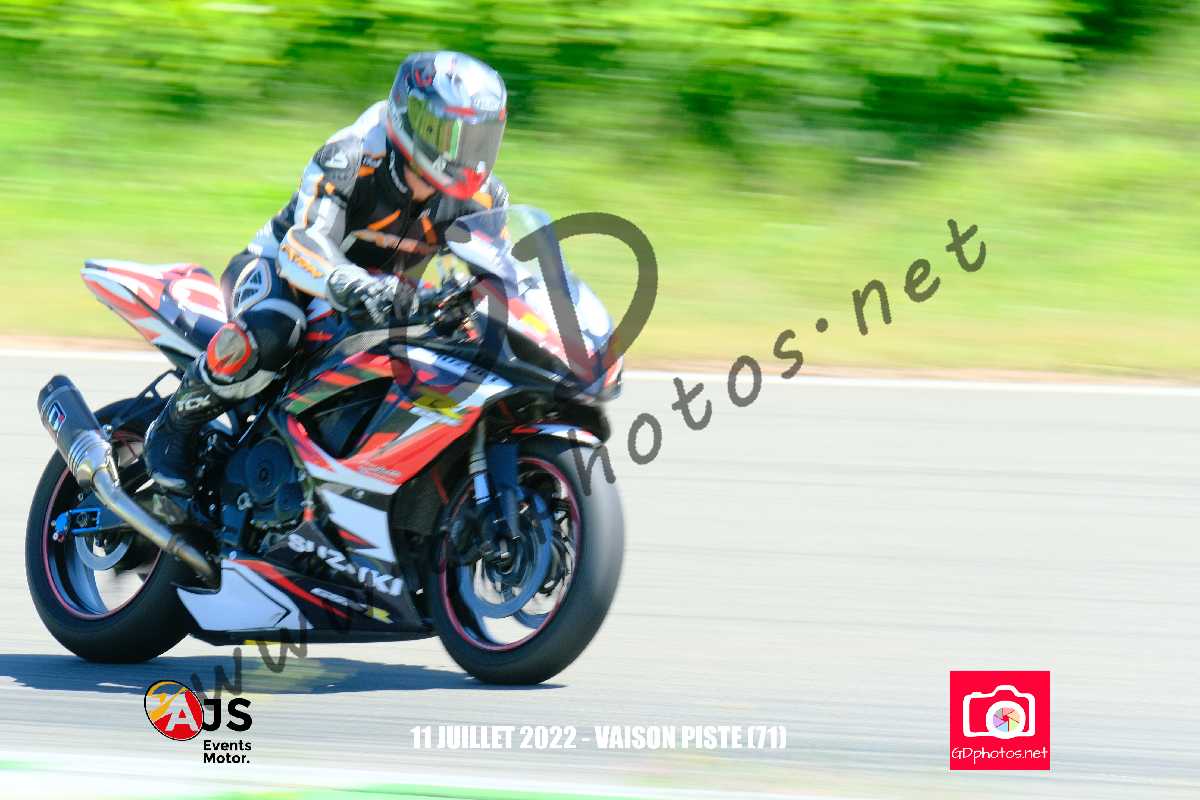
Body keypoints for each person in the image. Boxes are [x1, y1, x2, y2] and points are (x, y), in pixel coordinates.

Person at [144, 51, 509, 495]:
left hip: (382, 300)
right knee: (274, 328)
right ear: (413, 119)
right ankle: (174, 425)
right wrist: (347, 281)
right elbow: (303, 242)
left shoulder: (483, 199)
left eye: (479, 140)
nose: (466, 155)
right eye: (452, 136)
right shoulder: (351, 156)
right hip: (286, 271)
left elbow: (498, 275)